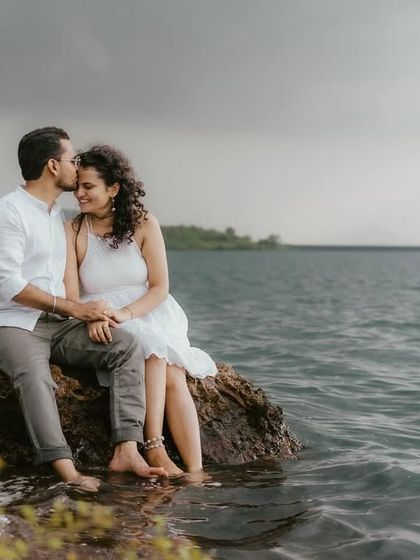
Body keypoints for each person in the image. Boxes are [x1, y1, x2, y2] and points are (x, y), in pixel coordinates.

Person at [0, 127, 167, 490]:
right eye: (72, 160)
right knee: (33, 376)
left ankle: (126, 449)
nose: (77, 167)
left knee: (126, 347)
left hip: (58, 323)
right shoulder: (9, 211)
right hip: (13, 322)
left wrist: (88, 314)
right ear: (52, 166)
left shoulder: (58, 215)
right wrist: (77, 310)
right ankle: (67, 471)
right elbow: (7, 285)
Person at [64, 144, 217, 475]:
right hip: (101, 315)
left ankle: (194, 472)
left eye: (88, 186)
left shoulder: (145, 223)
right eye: (77, 185)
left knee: (170, 370)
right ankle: (155, 448)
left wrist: (127, 313)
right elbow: (72, 294)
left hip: (147, 311)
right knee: (154, 354)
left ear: (113, 188)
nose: (78, 193)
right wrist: (93, 316)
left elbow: (160, 287)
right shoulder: (74, 230)